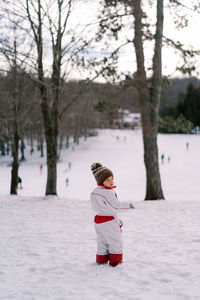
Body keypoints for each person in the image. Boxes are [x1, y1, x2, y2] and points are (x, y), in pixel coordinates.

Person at [90, 162, 135, 267]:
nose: (111, 182)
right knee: (114, 241)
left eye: (111, 178)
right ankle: (116, 261)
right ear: (101, 181)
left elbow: (95, 207)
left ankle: (101, 259)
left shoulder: (95, 192)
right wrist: (129, 205)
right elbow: (115, 206)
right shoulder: (107, 192)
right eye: (107, 180)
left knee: (102, 241)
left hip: (98, 220)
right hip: (108, 220)